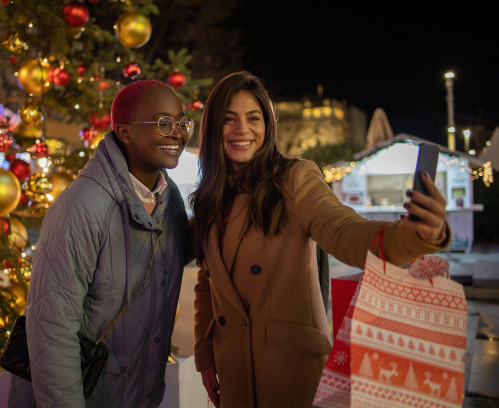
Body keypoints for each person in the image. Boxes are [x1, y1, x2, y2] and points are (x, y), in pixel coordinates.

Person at [190, 71, 450, 408]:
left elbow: (345, 231)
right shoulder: (211, 198)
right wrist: (205, 357)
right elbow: (207, 281)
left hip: (288, 370)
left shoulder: (293, 178)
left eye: (253, 118)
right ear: (213, 129)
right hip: (233, 370)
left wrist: (413, 236)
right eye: (229, 119)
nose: (242, 129)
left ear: (267, 126)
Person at [8, 79, 193, 407]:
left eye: (182, 123)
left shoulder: (170, 199)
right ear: (125, 132)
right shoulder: (83, 205)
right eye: (163, 123)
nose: (177, 133)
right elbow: (52, 329)